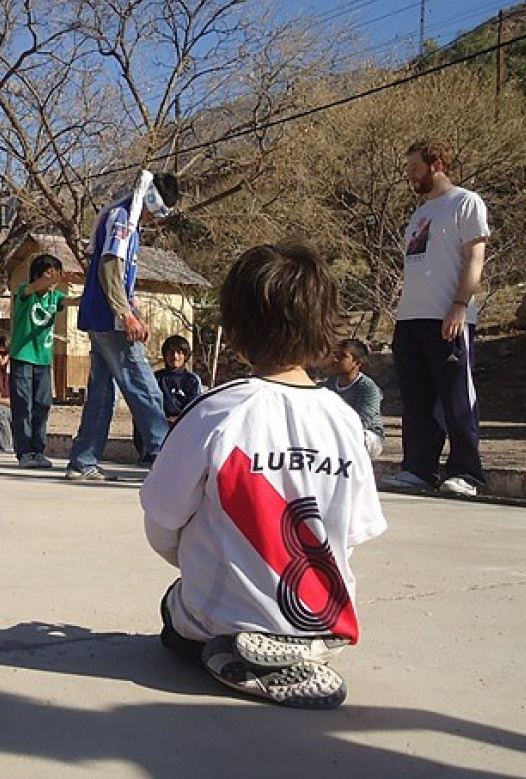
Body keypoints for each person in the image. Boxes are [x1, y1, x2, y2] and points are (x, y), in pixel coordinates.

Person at [141, 242, 387, 710]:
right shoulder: (343, 420)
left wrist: (189, 565)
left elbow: (161, 521)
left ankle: (233, 638)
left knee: (172, 616)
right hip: (321, 609)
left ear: (232, 330)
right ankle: (305, 639)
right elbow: (353, 533)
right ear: (323, 329)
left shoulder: (217, 411)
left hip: (219, 612)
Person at [381, 139, 490, 498]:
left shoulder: (466, 202)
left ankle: (466, 472)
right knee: (417, 399)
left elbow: (475, 257)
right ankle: (419, 469)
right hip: (411, 318)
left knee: (457, 397)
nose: (410, 175)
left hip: (448, 317)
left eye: (415, 168)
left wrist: (460, 304)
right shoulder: (419, 214)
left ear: (437, 164)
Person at [67, 170, 178, 481]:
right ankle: (166, 457)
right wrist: (126, 315)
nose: (156, 220)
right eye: (158, 213)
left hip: (103, 316)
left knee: (102, 394)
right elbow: (109, 267)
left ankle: (83, 459)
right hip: (110, 319)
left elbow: (120, 275)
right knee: (144, 387)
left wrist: (133, 310)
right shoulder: (123, 219)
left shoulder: (125, 219)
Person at [10, 254, 68, 469]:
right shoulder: (25, 293)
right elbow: (31, 289)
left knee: (42, 404)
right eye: (49, 273)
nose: (55, 278)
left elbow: (72, 301)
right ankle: (24, 451)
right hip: (23, 358)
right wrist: (48, 279)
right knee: (23, 404)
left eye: (57, 273)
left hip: (43, 361)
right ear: (36, 275)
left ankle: (38, 450)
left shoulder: (55, 297)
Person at [133, 334, 203, 460]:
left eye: (179, 353)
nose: (175, 357)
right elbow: (148, 401)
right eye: (171, 353)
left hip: (182, 421)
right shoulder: (156, 378)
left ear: (185, 356)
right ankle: (148, 456)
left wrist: (178, 418)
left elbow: (195, 406)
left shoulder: (192, 380)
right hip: (159, 420)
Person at [327, 339, 385, 458]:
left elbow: (362, 421)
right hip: (335, 432)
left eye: (342, 356)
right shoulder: (329, 385)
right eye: (335, 355)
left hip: (367, 436)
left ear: (357, 363)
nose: (335, 360)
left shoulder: (368, 388)